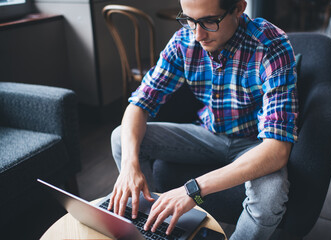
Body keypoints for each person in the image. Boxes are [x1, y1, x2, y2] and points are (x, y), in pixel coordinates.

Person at [109, 0, 299, 239]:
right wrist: (129, 166)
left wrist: (193, 191)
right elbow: (139, 103)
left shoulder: (271, 45)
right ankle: (154, 226)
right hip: (207, 135)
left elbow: (278, 149)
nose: (198, 34)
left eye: (209, 21)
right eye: (189, 20)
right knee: (121, 138)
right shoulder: (183, 41)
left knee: (271, 195)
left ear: (239, 8)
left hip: (255, 144)